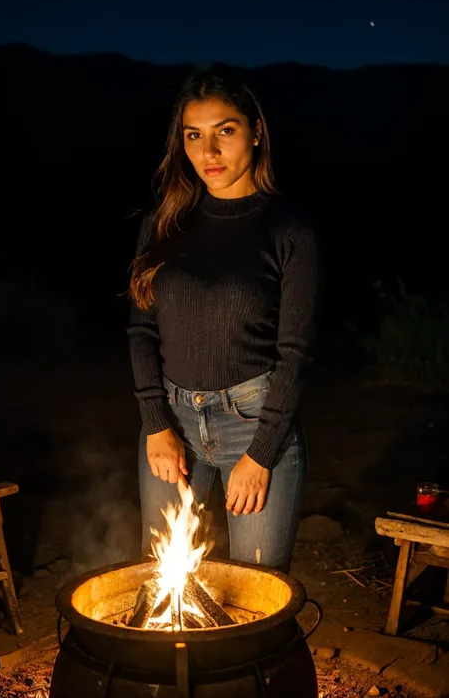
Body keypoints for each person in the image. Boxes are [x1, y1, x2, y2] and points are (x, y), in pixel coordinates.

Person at [127, 65, 320, 573]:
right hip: (172, 422)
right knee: (165, 579)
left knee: (256, 593)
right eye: (194, 136)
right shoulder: (166, 221)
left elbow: (294, 354)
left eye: (225, 132)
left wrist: (260, 455)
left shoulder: (289, 230)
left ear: (256, 131)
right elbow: (142, 331)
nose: (208, 154)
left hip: (254, 426)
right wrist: (155, 423)